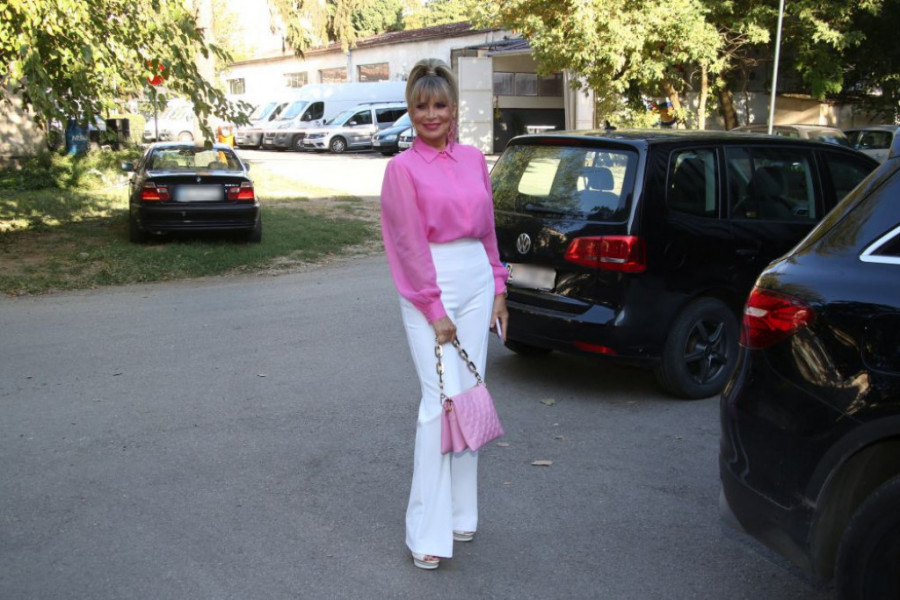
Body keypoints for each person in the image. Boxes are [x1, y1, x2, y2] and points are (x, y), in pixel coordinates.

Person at [380, 58, 509, 570]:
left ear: (453, 108)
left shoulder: (474, 159)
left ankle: (461, 514)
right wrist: (433, 308)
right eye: (421, 106)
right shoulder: (402, 169)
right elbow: (407, 246)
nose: (431, 114)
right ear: (411, 111)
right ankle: (426, 532)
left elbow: (488, 229)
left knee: (469, 392)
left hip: (476, 278)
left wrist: (499, 287)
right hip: (427, 284)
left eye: (439, 104)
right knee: (438, 404)